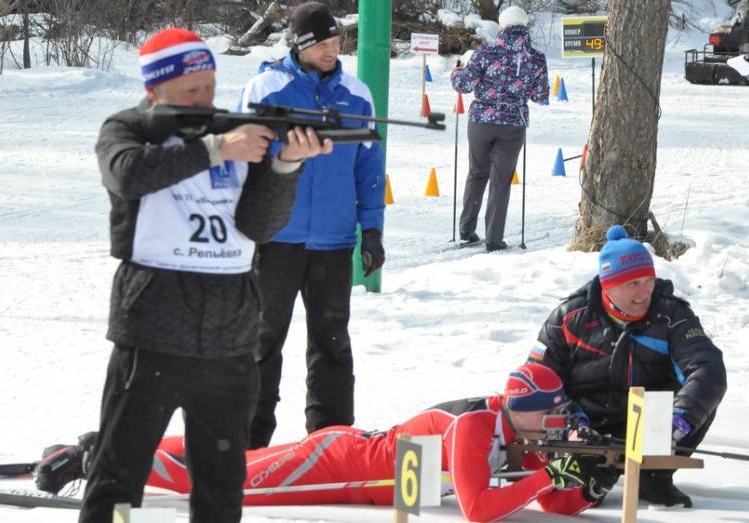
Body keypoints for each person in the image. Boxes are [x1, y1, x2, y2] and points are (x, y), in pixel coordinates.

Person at [78, 27, 333, 523]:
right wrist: (215, 150)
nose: (205, 99)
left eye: (211, 86)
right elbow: (127, 174)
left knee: (221, 485)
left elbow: (260, 225)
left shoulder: (240, 130)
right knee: (118, 474)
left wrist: (287, 164)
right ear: (156, 91)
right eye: (191, 90)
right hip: (151, 331)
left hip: (230, 339)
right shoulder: (127, 127)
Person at [37, 364, 616, 522]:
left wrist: (586, 483)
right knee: (220, 478)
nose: (559, 423)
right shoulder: (475, 428)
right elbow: (478, 510)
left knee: (226, 464)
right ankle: (98, 454)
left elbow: (551, 501)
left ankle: (111, 449)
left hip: (349, 457)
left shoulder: (517, 433)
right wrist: (549, 475)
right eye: (554, 414)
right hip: (338, 464)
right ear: (525, 412)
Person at [238, 1, 386, 447]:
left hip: (333, 242)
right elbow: (242, 160)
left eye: (336, 40)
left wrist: (372, 230)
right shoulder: (265, 87)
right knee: (262, 343)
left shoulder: (357, 94)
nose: (331, 49)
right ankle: (247, 441)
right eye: (321, 42)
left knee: (332, 345)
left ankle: (331, 442)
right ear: (300, 46)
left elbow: (370, 168)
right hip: (275, 239)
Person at [528, 225, 727, 508]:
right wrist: (571, 424)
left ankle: (653, 477)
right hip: (586, 428)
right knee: (578, 498)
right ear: (607, 285)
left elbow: (708, 370)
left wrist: (676, 423)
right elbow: (535, 380)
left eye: (648, 280)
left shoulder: (673, 316)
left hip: (649, 426)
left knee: (702, 401)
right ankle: (583, 468)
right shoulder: (568, 317)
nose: (643, 292)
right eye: (632, 283)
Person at [451, 6, 549, 252]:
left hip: (481, 119)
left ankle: (466, 228)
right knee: (501, 180)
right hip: (513, 122)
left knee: (477, 172)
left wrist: (456, 72)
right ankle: (494, 239)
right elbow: (540, 95)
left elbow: (464, 85)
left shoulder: (486, 51)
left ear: (502, 25)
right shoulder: (536, 57)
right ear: (525, 25)